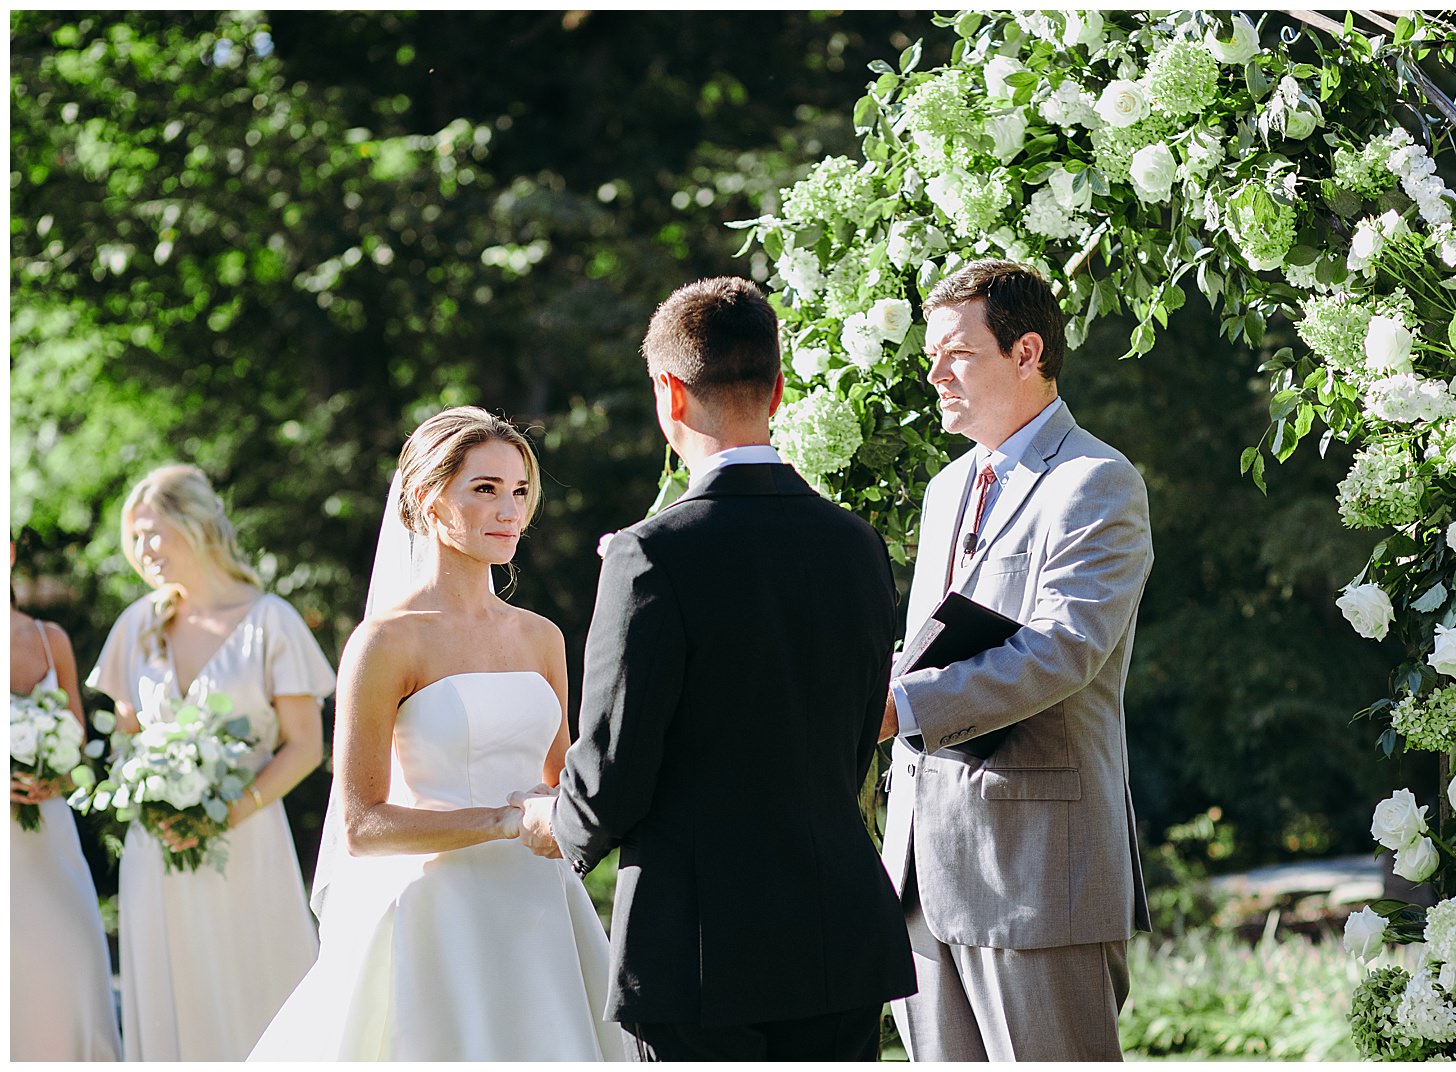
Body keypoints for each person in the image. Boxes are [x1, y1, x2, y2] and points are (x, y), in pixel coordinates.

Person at [519, 276, 917, 1061]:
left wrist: (555, 822)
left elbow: (612, 767)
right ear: (776, 388)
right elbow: (857, 723)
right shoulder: (856, 545)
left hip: (701, 944)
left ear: (670, 392)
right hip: (840, 928)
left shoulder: (649, 554)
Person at [248, 405, 630, 1061]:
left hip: (542, 910)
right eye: (485, 489)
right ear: (427, 500)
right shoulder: (385, 642)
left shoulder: (540, 636)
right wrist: (503, 823)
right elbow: (359, 826)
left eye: (518, 491)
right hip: (438, 916)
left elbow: (563, 782)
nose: (510, 510)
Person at [878, 259, 1154, 1061]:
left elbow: (1063, 649)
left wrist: (903, 708)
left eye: (956, 354)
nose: (934, 374)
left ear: (1027, 352)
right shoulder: (944, 489)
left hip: (1036, 875)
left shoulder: (1097, 481)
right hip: (919, 877)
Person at [87, 464, 334, 1060]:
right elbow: (124, 743)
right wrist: (147, 790)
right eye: (135, 539)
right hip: (159, 850)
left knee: (259, 990)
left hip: (247, 843)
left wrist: (227, 811)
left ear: (196, 526)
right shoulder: (136, 627)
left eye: (153, 532)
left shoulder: (272, 621)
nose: (143, 550)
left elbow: (305, 745)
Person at [10, 546, 123, 1061]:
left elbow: (79, 745)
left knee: (71, 961)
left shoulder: (47, 638)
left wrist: (55, 778)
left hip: (49, 838)